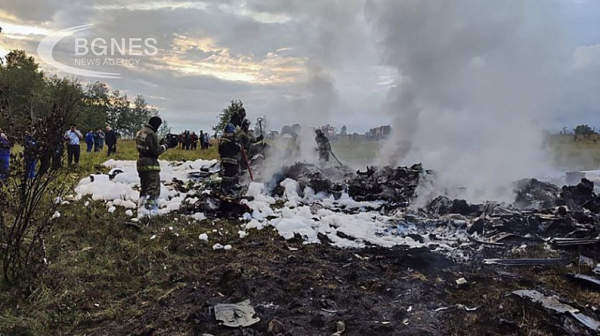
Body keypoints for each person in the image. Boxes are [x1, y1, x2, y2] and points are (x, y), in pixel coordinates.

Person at [135, 116, 174, 214]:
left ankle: (141, 207)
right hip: (150, 163)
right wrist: (166, 146)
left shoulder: (141, 132)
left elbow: (147, 146)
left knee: (144, 186)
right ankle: (149, 209)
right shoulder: (151, 134)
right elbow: (155, 151)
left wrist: (159, 143)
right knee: (153, 187)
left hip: (141, 162)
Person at [219, 123, 241, 194]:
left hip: (224, 161)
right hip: (232, 161)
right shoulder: (231, 140)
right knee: (232, 176)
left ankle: (224, 188)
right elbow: (236, 149)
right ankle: (230, 189)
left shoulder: (222, 140)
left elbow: (220, 151)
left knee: (226, 175)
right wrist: (239, 145)